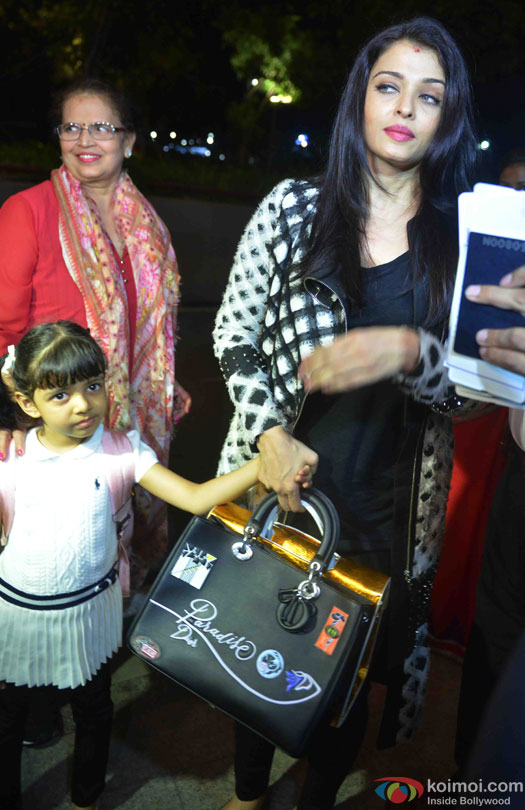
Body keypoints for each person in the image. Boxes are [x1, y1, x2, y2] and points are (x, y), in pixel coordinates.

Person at [213, 16, 478, 810]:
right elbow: (234, 335)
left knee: (346, 686)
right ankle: (245, 794)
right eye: (387, 86)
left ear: (447, 117)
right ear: (359, 99)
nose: (403, 108)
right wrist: (268, 434)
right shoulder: (293, 208)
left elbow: (467, 392)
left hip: (390, 510)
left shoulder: (459, 242)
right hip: (282, 487)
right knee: (255, 652)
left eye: (426, 96)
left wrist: (411, 351)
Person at [0, 320, 313, 810]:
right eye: (60, 396)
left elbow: (193, 498)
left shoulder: (122, 452)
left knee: (93, 709)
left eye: (93, 386)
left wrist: (264, 467)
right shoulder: (10, 457)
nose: (83, 404)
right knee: (8, 714)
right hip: (17, 613)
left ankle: (85, 799)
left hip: (91, 612)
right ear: (27, 404)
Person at [0, 77, 190, 585]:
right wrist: (11, 414)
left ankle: (112, 629)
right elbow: (4, 326)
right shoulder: (29, 211)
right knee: (66, 560)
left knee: (113, 544)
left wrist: (165, 380)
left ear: (129, 140)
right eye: (71, 127)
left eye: (101, 127)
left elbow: (147, 319)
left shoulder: (145, 225)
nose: (85, 140)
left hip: (122, 413)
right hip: (59, 419)